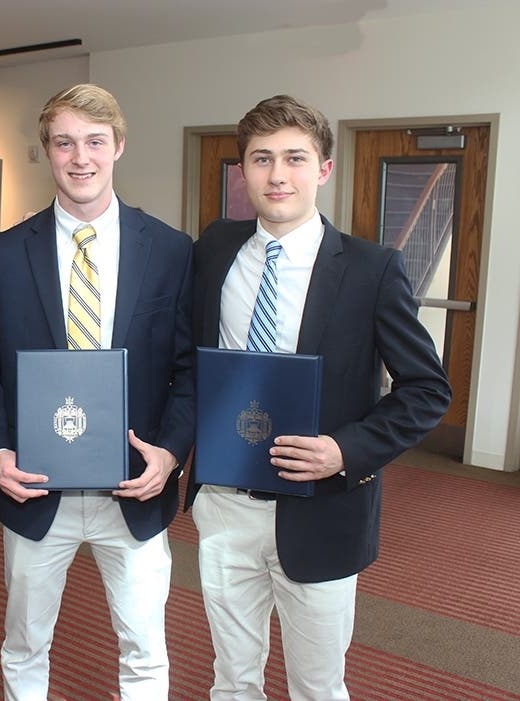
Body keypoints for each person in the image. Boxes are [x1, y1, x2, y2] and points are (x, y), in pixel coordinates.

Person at [186, 95, 452, 700]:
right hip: (226, 506)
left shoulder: (371, 268)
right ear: (243, 169)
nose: (277, 175)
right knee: (231, 679)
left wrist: (345, 449)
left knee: (316, 687)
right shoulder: (215, 249)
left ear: (324, 169)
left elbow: (427, 389)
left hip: (321, 509)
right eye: (261, 159)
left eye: (295, 158)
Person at [0, 84, 195, 700]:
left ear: (119, 146)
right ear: (46, 151)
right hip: (37, 488)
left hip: (135, 485)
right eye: (64, 142)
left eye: (95, 142)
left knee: (146, 649)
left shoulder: (171, 251)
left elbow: (186, 370)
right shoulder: (4, 253)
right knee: (24, 645)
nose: (80, 157)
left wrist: (170, 454)